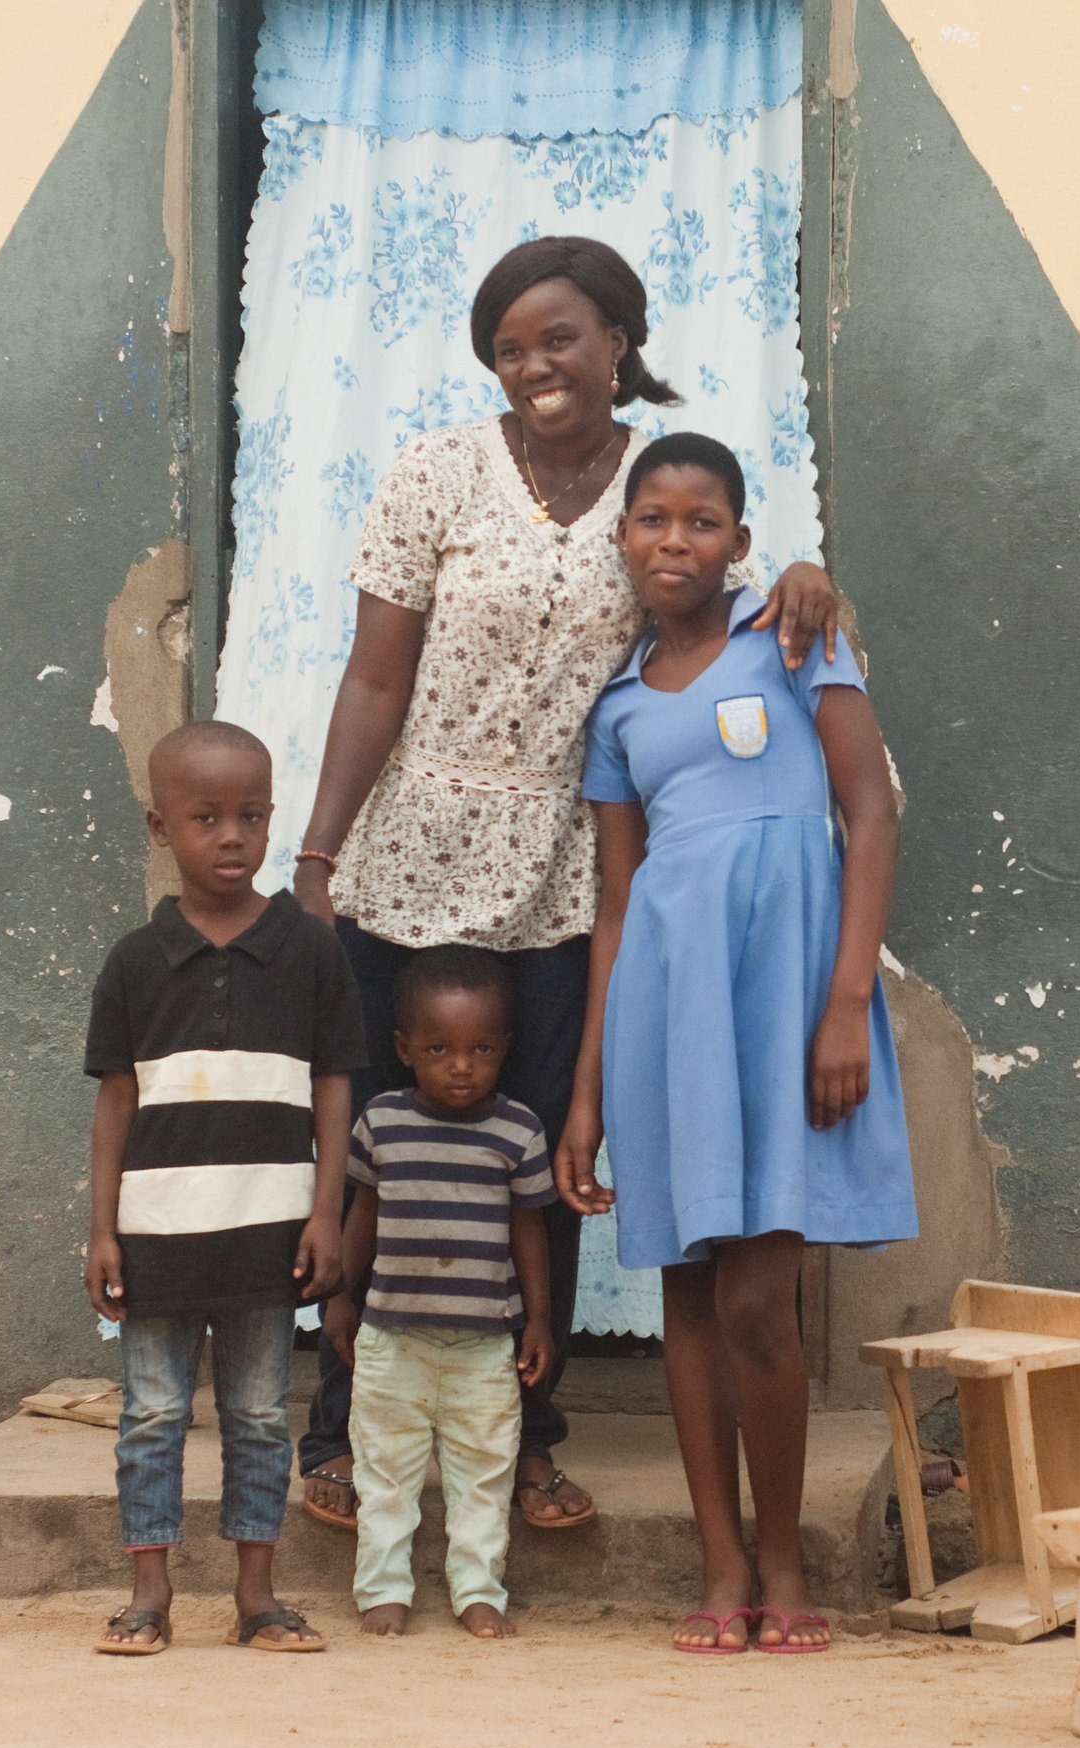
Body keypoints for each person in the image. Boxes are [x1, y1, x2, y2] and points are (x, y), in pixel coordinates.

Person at [290, 236, 843, 1534]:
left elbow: (720, 603)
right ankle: (341, 1434)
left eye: (559, 336)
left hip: (559, 872)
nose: (533, 364)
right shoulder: (436, 471)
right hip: (410, 854)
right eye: (509, 345)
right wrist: (316, 856)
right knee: (377, 1156)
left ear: (618, 340)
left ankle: (525, 1442)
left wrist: (811, 579)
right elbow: (375, 679)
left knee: (534, 1158)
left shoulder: (652, 492)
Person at [562, 434, 918, 1656]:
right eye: (651, 520)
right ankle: (719, 1566)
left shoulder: (797, 638)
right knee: (691, 1296)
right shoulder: (614, 706)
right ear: (622, 541)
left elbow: (868, 814)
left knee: (764, 1291)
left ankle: (782, 1560)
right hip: (668, 1001)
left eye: (701, 521)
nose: (675, 541)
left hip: (785, 992)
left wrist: (842, 1004)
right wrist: (587, 1094)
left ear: (738, 541)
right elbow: (617, 902)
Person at [83, 721, 366, 1656]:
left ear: (273, 817)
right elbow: (117, 1099)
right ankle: (148, 1596)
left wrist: (327, 1211)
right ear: (163, 827)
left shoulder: (311, 950)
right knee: (153, 1416)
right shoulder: (133, 960)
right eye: (207, 817)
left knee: (255, 1416)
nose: (232, 836)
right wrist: (103, 1230)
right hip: (159, 1235)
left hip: (268, 1234)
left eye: (250, 814)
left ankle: (258, 1597)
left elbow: (335, 1085)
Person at [322, 946, 555, 1639]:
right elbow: (360, 1214)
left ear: (505, 1048)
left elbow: (529, 1231)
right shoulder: (382, 1123)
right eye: (439, 1047)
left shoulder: (518, 1130)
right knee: (384, 1472)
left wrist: (539, 1318)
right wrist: (340, 1295)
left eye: (481, 1047)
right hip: (392, 1338)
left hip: (484, 1344)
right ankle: (383, 1591)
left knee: (484, 1472)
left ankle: (479, 1590)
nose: (461, 1065)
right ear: (403, 1048)